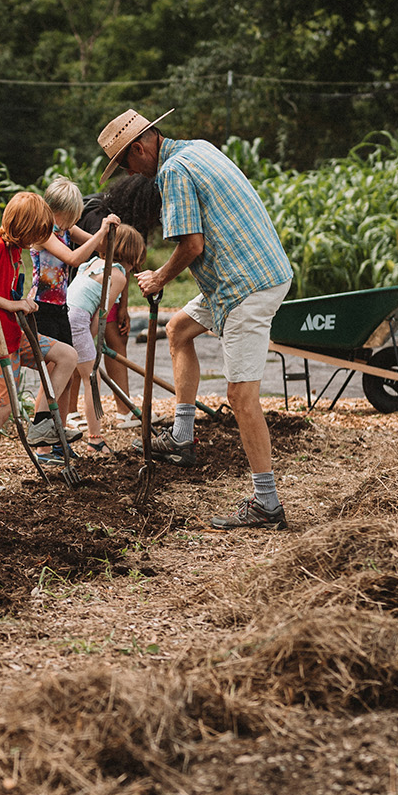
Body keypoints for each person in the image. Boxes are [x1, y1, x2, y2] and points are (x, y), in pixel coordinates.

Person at [98, 109, 295, 530]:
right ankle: (183, 437)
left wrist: (159, 277)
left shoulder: (172, 172)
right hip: (247, 270)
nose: (131, 174)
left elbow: (192, 244)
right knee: (178, 329)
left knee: (241, 396)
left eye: (126, 164)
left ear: (140, 148)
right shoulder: (198, 149)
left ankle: (267, 504)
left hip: (246, 284)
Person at [0, 191, 80, 494]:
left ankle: (41, 422)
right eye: (37, 232)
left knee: (66, 355)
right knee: (1, 409)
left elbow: (5, 291)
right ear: (23, 226)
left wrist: (23, 302)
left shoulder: (15, 251)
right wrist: (11, 306)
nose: (39, 239)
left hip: (14, 335)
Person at [30, 176, 119, 448]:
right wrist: (101, 234)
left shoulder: (66, 229)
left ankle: (58, 434)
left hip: (60, 307)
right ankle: (41, 432)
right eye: (68, 216)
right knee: (52, 371)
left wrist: (109, 231)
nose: (71, 223)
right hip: (42, 308)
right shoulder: (44, 232)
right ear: (56, 210)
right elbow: (74, 258)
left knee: (66, 376)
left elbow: (99, 247)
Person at [75, 174, 162, 429]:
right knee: (78, 352)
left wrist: (123, 306)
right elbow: (101, 266)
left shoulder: (134, 225)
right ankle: (71, 413)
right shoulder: (99, 220)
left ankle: (124, 410)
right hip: (84, 292)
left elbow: (123, 269)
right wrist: (93, 326)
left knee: (116, 339)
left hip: (107, 288)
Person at [65, 224, 147, 450]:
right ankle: (95, 439)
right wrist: (91, 342)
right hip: (78, 320)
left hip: (63, 314)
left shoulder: (91, 263)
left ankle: (57, 429)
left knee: (63, 374)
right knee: (92, 379)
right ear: (133, 253)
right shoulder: (118, 276)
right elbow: (100, 316)